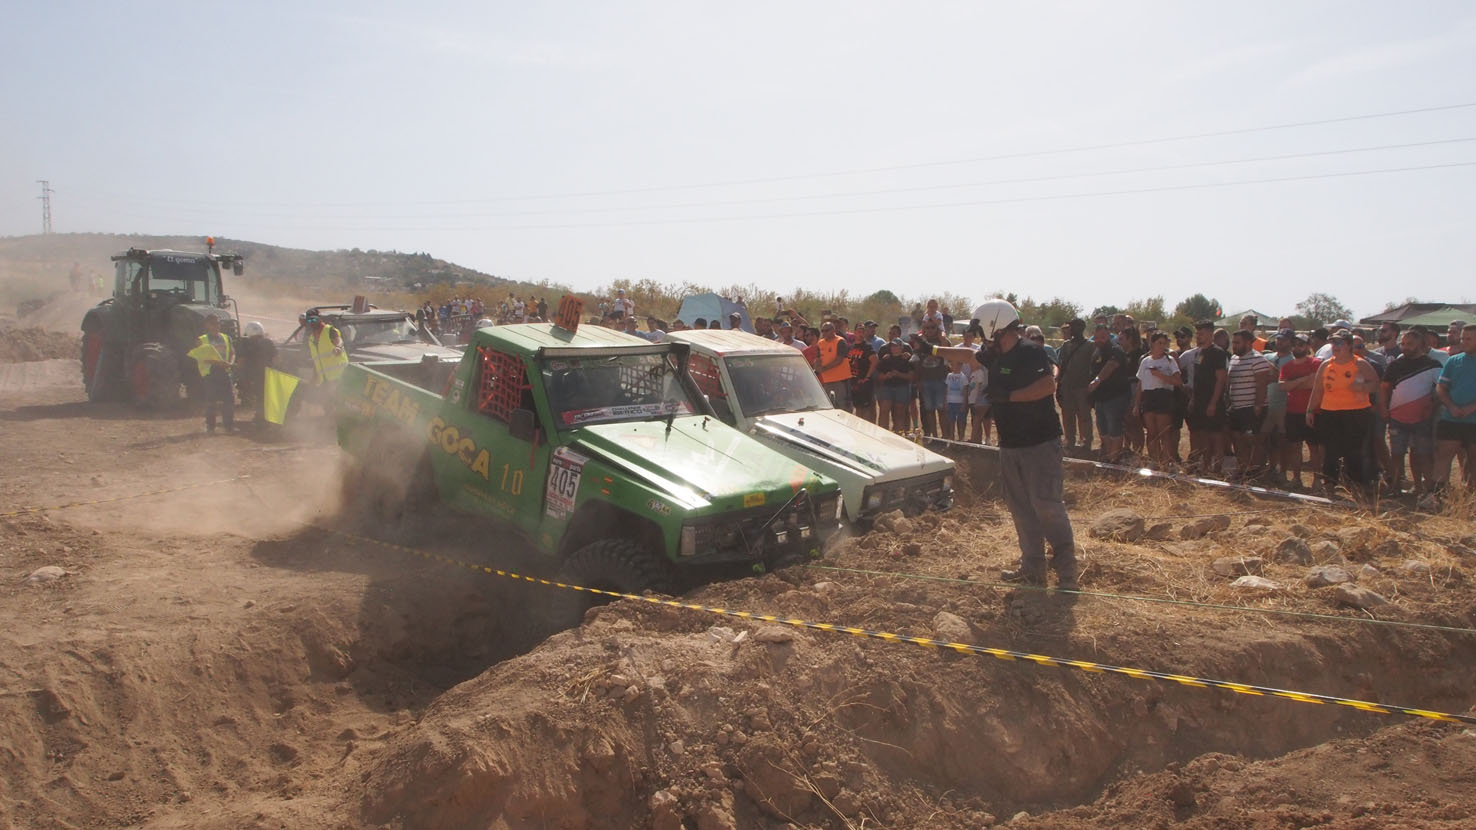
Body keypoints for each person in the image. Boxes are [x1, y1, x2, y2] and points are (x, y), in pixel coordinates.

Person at [923, 299, 1077, 589]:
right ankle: (1032, 568)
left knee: (1047, 505)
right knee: (1021, 507)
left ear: (996, 325)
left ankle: (1067, 571)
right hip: (1010, 444)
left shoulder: (1029, 352)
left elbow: (1046, 386)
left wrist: (1009, 397)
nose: (981, 337)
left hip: (1040, 443)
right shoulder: (994, 353)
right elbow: (969, 355)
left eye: (982, 330)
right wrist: (931, 349)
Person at [1306, 332, 1380, 494]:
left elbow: (1375, 384)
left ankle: (1356, 486)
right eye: (1333, 343)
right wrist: (1310, 410)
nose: (1335, 347)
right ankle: (1330, 486)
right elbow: (1318, 389)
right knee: (1330, 450)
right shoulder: (1326, 365)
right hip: (1330, 412)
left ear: (1348, 345)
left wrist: (1361, 388)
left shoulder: (1360, 364)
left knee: (1353, 451)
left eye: (1339, 343)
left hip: (1356, 413)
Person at [1382, 329, 1442, 495]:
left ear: (1421, 345)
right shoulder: (1395, 365)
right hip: (1397, 417)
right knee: (1397, 454)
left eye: (1410, 344)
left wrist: (1431, 408)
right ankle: (1394, 488)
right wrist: (1383, 408)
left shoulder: (1433, 365)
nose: (1405, 347)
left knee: (1421, 454)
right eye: (1403, 344)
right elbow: (1385, 388)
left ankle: (1426, 489)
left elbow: (1442, 391)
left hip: (1421, 419)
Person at [1430, 325, 1476, 502]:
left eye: (1468, 339)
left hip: (1474, 420)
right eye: (1462, 338)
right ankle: (1437, 496)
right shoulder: (1453, 360)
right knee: (1443, 455)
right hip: (1451, 417)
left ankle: (1471, 498)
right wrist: (1450, 405)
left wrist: (1472, 407)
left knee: (1473, 459)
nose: (1463, 342)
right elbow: (1441, 387)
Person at [1225, 330, 1276, 479]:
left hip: (1251, 408)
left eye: (1237, 342)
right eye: (1233, 342)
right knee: (1237, 438)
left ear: (1248, 343)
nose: (1233, 346)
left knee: (1254, 440)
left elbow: (1261, 384)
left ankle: (1255, 471)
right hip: (1236, 407)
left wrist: (1258, 406)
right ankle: (1242, 468)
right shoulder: (1234, 358)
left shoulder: (1257, 359)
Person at [1278, 334, 1323, 490]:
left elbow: (1316, 384)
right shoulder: (1287, 366)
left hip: (1312, 411)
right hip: (1293, 411)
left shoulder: (1317, 363)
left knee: (1314, 448)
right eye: (1295, 344)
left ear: (1308, 346)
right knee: (1295, 447)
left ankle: (1317, 480)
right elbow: (1283, 387)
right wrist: (1304, 380)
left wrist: (1294, 384)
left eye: (1301, 344)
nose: (1298, 347)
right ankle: (1296, 478)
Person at [1134, 331, 1182, 468]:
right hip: (1148, 397)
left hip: (1164, 396)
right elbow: (1140, 384)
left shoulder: (1169, 361)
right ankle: (1154, 461)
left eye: (1164, 343)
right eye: (1159, 343)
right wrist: (1137, 404)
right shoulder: (1145, 361)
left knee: (1164, 432)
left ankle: (1166, 462)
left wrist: (1160, 375)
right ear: (1152, 344)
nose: (1162, 346)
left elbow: (1178, 381)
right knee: (1151, 432)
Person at [1186, 320, 1229, 474]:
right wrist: (1193, 399)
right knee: (1202, 434)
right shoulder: (1198, 352)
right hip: (1199, 401)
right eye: (1197, 333)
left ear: (1210, 334)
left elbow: (1221, 379)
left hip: (1213, 401)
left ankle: (1217, 468)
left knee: (1216, 435)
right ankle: (1205, 466)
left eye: (1201, 333)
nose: (1198, 336)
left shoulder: (1217, 353)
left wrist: (1213, 402)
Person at [1086, 325, 1130, 463]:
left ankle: (1114, 459)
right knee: (1102, 428)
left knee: (1114, 427)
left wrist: (1097, 380)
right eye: (1097, 337)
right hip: (1100, 398)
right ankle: (1108, 456)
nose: (1099, 340)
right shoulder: (1096, 352)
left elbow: (1110, 366)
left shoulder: (1115, 350)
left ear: (1109, 335)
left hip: (1115, 396)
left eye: (1103, 337)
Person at [1056, 318, 1096, 454]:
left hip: (1083, 386)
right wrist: (1059, 385)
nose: (1071, 329)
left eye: (1073, 327)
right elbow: (1062, 366)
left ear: (1081, 328)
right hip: (1067, 385)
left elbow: (1094, 366)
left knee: (1084, 415)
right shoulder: (1066, 345)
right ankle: (1070, 442)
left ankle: (1086, 443)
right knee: (1067, 415)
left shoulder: (1090, 346)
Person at [194, 315, 235, 434]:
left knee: (229, 400)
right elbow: (203, 357)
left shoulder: (226, 338)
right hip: (210, 373)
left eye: (217, 323)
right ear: (207, 325)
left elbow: (232, 352)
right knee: (211, 401)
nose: (216, 326)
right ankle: (210, 427)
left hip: (225, 371)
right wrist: (221, 363)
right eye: (213, 324)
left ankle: (228, 426)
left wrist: (230, 363)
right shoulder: (201, 340)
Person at [236, 320, 277, 428]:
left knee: (259, 397)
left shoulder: (246, 344)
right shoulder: (269, 342)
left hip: (254, 376)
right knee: (267, 396)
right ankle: (268, 417)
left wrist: (238, 372)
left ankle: (261, 418)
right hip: (268, 374)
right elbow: (277, 359)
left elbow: (241, 361)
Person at [913, 320, 951, 436]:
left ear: (937, 328)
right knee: (929, 410)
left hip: (941, 379)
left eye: (933, 327)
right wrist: (918, 380)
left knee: (942, 410)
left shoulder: (943, 341)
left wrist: (942, 338)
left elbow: (949, 356)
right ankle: (934, 437)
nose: (930, 330)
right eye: (927, 328)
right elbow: (917, 361)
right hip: (925, 380)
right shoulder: (920, 342)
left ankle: (945, 436)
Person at [876, 339, 915, 432]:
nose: (894, 348)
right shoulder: (886, 359)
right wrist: (886, 376)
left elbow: (911, 376)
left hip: (902, 387)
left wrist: (899, 374)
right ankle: (882, 433)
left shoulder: (907, 360)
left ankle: (899, 434)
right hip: (887, 387)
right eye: (892, 346)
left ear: (901, 347)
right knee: (884, 411)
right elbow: (879, 376)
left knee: (899, 413)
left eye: (896, 346)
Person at [815, 321, 852, 411]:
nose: (824, 333)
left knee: (843, 407)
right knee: (829, 406)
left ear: (833, 330)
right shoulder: (820, 343)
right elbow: (818, 358)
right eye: (822, 331)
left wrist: (824, 368)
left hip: (841, 380)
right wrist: (817, 367)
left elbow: (839, 360)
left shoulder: (840, 341)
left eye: (826, 330)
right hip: (827, 380)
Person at [848, 336, 878, 423]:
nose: (860, 333)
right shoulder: (851, 347)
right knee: (858, 408)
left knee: (867, 409)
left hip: (864, 382)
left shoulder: (868, 347)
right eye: (858, 330)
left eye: (862, 331)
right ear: (855, 332)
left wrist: (867, 377)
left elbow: (875, 360)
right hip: (854, 381)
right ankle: (860, 430)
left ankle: (868, 430)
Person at [944, 361, 969, 441]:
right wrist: (946, 401)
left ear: (960, 366)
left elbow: (965, 391)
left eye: (955, 365)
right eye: (952, 365)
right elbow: (947, 389)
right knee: (951, 421)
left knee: (961, 421)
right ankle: (951, 438)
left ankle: (961, 438)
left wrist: (964, 403)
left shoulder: (963, 377)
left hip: (960, 402)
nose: (953, 366)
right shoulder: (949, 376)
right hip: (950, 402)